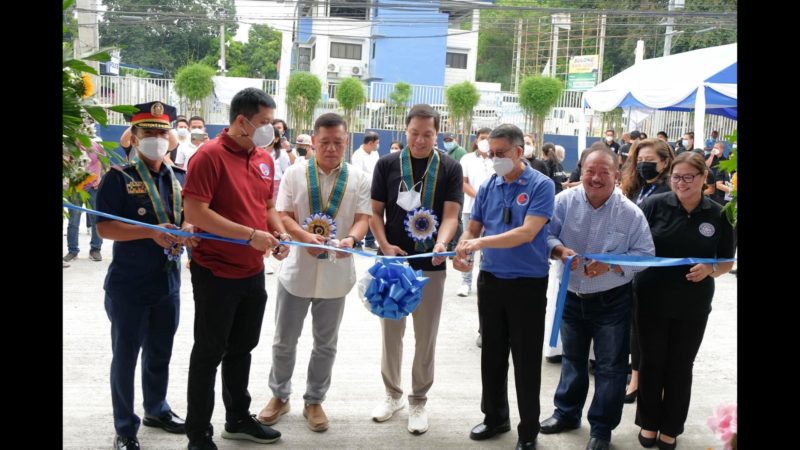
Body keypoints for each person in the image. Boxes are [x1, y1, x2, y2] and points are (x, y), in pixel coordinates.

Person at [182, 87, 290, 449]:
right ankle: (198, 433)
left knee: (242, 347)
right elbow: (195, 213)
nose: (270, 130)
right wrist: (250, 236)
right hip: (216, 270)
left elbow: (268, 205)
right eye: (263, 123)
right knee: (209, 350)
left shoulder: (264, 158)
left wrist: (277, 232)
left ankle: (238, 418)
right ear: (241, 121)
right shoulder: (208, 157)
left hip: (251, 271)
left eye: (272, 123)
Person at [257, 112, 372, 433]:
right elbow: (283, 214)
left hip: (337, 273)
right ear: (313, 140)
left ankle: (314, 399)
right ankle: (279, 396)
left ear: (346, 141)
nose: (331, 148)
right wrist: (303, 237)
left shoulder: (358, 178)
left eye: (337, 142)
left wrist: (350, 238)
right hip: (297, 270)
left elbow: (364, 217)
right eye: (324, 142)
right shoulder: (294, 174)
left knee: (326, 344)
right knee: (284, 340)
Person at [95, 101, 195, 450]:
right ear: (134, 138)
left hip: (167, 282)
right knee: (125, 356)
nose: (156, 139)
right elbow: (105, 228)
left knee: (160, 352)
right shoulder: (118, 177)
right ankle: (125, 427)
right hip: (129, 285)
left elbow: (186, 220)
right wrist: (151, 232)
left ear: (170, 138)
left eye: (161, 133)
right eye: (148, 133)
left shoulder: (179, 177)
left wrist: (188, 229)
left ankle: (156, 409)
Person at [540, 146, 655, 450]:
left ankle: (602, 428)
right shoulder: (562, 202)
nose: (596, 177)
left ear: (617, 175)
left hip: (612, 300)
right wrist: (559, 250)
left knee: (611, 367)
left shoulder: (630, 213)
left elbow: (646, 255)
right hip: (572, 296)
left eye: (605, 171)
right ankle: (567, 413)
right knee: (573, 360)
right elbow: (544, 235)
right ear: (581, 170)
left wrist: (612, 263)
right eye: (591, 170)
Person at [455, 124, 555, 450]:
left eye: (501, 154)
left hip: (527, 284)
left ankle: (528, 431)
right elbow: (472, 226)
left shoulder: (541, 186)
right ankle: (495, 417)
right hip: (492, 281)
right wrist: (464, 246)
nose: (495, 159)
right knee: (493, 355)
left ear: (518, 151)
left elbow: (527, 232)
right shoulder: (489, 185)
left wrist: (480, 242)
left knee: (526, 360)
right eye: (491, 154)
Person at [369, 104, 463, 434]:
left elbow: (451, 214)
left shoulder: (450, 167)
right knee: (391, 333)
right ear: (404, 131)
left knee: (426, 337)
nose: (420, 140)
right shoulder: (386, 165)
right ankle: (392, 394)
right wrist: (383, 246)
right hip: (393, 265)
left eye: (428, 134)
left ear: (437, 134)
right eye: (414, 133)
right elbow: (374, 213)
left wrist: (443, 243)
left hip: (431, 266)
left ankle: (418, 400)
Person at [634, 152, 734, 449]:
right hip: (652, 297)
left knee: (680, 365)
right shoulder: (654, 205)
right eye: (676, 177)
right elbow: (635, 246)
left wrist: (710, 269)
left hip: (693, 303)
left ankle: (671, 426)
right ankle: (649, 423)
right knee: (651, 362)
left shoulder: (719, 215)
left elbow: (727, 261)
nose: (681, 183)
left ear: (705, 178)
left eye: (689, 177)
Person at [619, 138, 675, 404]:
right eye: (639, 161)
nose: (643, 166)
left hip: (658, 271)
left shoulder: (668, 192)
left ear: (665, 163)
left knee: (653, 330)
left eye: (650, 162)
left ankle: (653, 381)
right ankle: (635, 378)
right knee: (635, 327)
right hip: (633, 269)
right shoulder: (635, 188)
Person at [64, 140, 105, 262]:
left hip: (92, 187)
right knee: (73, 221)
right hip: (75, 187)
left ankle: (95, 249)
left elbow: (100, 162)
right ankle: (72, 251)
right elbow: (66, 163)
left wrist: (99, 178)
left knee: (95, 219)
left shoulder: (95, 145)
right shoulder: (69, 144)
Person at [351, 131, 381, 249]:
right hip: (361, 189)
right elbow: (358, 174)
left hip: (374, 188)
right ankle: (356, 239)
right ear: (370, 143)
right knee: (360, 214)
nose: (378, 145)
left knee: (372, 213)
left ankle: (370, 240)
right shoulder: (357, 155)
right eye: (377, 143)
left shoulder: (375, 153)